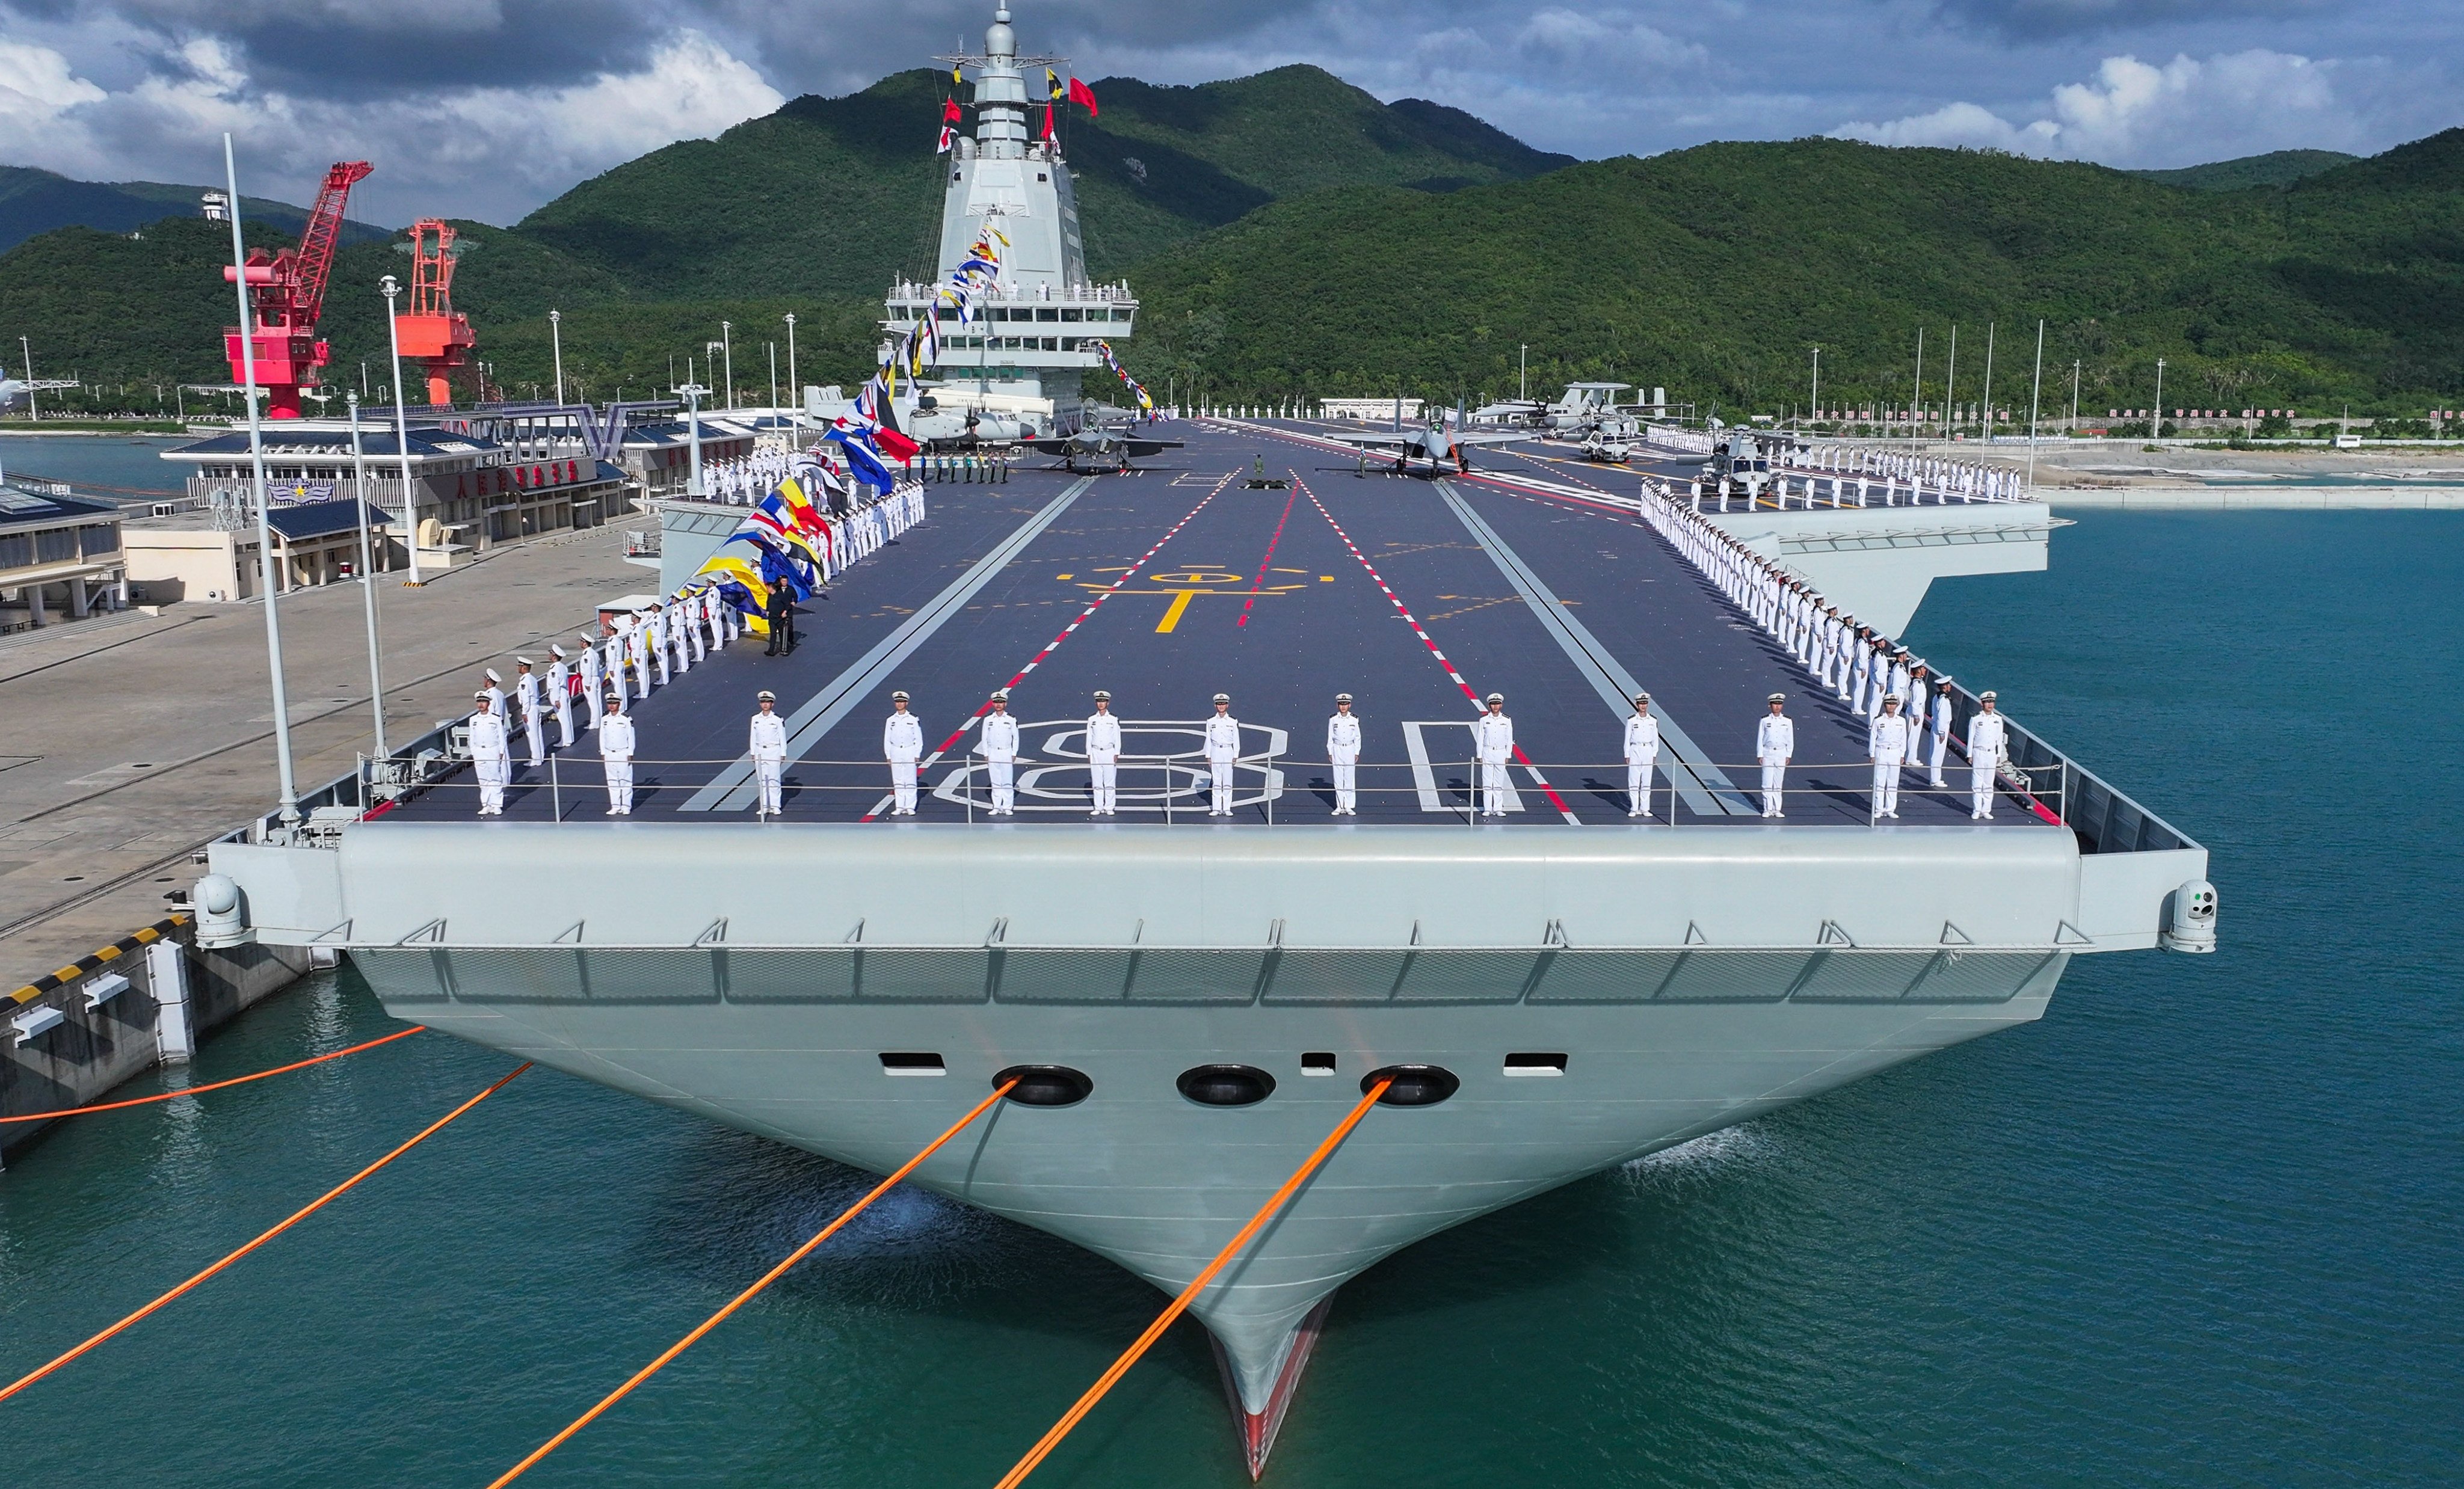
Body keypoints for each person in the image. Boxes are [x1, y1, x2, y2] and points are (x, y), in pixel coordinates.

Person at [1868, 695, 1912, 819]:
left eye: (1893, 704)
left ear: (1897, 705)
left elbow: (1903, 738)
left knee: (1893, 782)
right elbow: (1873, 738)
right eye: (1889, 704)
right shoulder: (1878, 721)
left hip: (1895, 752)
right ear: (1885, 705)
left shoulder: (1901, 721)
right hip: (1881, 751)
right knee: (1879, 782)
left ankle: (1890, 809)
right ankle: (1879, 809)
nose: (1891, 706)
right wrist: (1872, 754)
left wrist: (1902, 754)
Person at [468, 690, 510, 815]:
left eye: (484, 702)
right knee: (483, 780)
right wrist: (473, 752)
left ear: (489, 703)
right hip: (479, 751)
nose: (481, 704)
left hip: (492, 750)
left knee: (495, 778)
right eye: (479, 702)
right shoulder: (473, 719)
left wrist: (501, 751)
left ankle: (497, 805)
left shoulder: (495, 719)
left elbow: (501, 736)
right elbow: (472, 737)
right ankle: (486, 805)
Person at [1968, 689, 2007, 820]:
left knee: (1989, 784)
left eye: (1992, 702)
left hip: (1991, 753)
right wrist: (1969, 755)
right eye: (1987, 702)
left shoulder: (1998, 719)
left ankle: (1986, 810)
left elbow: (1999, 739)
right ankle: (1977, 810)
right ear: (1982, 703)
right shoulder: (1976, 719)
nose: (1990, 705)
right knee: (1977, 783)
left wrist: (1998, 755)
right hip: (1979, 752)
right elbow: (1971, 737)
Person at [1473, 692, 1514, 818]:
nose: (1495, 706)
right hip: (1488, 752)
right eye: (1493, 704)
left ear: (1501, 705)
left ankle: (1498, 808)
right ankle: (1487, 808)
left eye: (1497, 704)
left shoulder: (1506, 720)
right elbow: (1480, 738)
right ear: (1489, 705)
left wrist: (1508, 755)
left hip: (1501, 752)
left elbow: (1509, 739)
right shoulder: (1484, 720)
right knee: (1487, 782)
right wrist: (1479, 754)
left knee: (1498, 782)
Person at [981, 690, 1020, 815]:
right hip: (993, 752)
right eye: (996, 702)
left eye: (1001, 702)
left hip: (1006, 751)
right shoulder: (988, 719)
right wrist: (986, 753)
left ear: (1005, 704)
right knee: (995, 781)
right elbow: (984, 738)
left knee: (1007, 780)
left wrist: (1014, 753)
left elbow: (1016, 738)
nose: (999, 705)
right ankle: (997, 806)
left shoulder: (1011, 719)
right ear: (993, 704)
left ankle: (1008, 807)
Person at [883, 691, 922, 814]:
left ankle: (910, 807)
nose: (899, 704)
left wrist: (917, 754)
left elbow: (918, 737)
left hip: (909, 749)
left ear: (906, 703)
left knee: (910, 779)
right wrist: (888, 755)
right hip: (895, 750)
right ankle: (900, 807)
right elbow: (887, 739)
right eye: (897, 702)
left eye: (902, 702)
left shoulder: (913, 719)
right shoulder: (890, 720)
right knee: (898, 779)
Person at [1755, 693, 1793, 818]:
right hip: (1768, 752)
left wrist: (1789, 754)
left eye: (1779, 704)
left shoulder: (1787, 721)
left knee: (1778, 783)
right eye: (1775, 704)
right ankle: (1767, 809)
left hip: (1781, 753)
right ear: (1770, 705)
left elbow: (1790, 739)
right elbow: (1760, 738)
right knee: (1767, 782)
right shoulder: (1765, 720)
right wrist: (1760, 754)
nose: (1777, 706)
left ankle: (1777, 809)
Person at [750, 690, 787, 817]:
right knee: (762, 780)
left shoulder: (777, 719)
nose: (765, 704)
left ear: (772, 704)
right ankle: (764, 806)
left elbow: (782, 736)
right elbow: (753, 737)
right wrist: (753, 752)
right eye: (763, 702)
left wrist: (783, 753)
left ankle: (775, 806)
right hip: (760, 751)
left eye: (768, 702)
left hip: (773, 751)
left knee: (774, 780)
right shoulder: (755, 719)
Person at [1623, 692, 1660, 818]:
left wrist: (1654, 753)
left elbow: (1655, 738)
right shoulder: (1632, 720)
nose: (1643, 706)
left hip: (1648, 750)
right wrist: (1627, 754)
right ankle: (1634, 808)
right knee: (1634, 780)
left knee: (1646, 781)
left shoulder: (1653, 720)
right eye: (1641, 703)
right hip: (1635, 749)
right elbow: (1627, 738)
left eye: (1645, 703)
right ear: (1637, 705)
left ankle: (1645, 808)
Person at [1203, 693, 1241, 816]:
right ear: (1215, 706)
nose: (1221, 706)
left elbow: (1236, 739)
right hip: (1216, 750)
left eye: (1223, 704)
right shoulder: (1211, 721)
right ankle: (1216, 808)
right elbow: (1208, 739)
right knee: (1217, 780)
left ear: (1227, 706)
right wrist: (1208, 755)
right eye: (1219, 704)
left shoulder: (1233, 721)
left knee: (1228, 780)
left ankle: (1227, 808)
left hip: (1228, 750)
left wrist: (1236, 755)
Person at [599, 692, 636, 814]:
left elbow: (631, 737)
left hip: (622, 752)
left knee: (625, 780)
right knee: (612, 780)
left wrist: (630, 753)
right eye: (609, 703)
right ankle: (615, 806)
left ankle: (626, 806)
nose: (611, 706)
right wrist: (603, 752)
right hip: (609, 753)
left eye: (614, 703)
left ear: (619, 704)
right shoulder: (605, 719)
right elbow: (602, 736)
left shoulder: (626, 719)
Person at [1085, 690, 1121, 815]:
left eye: (1103, 701)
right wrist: (1089, 753)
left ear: (1108, 703)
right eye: (1099, 702)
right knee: (1097, 782)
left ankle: (1109, 807)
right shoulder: (1091, 719)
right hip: (1096, 752)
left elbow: (1117, 736)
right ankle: (1098, 807)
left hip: (1109, 751)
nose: (1101, 704)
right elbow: (1089, 737)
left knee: (1109, 781)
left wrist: (1117, 752)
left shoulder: (1113, 719)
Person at [1326, 693, 1362, 815]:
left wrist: (1357, 752)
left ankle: (1348, 806)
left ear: (1349, 705)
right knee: (1338, 777)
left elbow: (1357, 737)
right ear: (1338, 705)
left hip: (1350, 749)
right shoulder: (1333, 719)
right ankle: (1339, 806)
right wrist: (1330, 752)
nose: (1343, 707)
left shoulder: (1354, 719)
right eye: (1341, 704)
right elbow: (1330, 737)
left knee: (1349, 778)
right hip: (1337, 748)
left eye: (1345, 704)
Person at [514, 658, 546, 768]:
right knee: (538, 733)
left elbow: (526, 699)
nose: (518, 668)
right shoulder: (532, 678)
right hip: (536, 707)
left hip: (530, 709)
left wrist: (524, 713)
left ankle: (536, 759)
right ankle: (541, 756)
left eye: (519, 666)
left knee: (532, 735)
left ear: (523, 668)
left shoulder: (524, 681)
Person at [1927, 675, 1954, 789]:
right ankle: (1935, 779)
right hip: (1940, 728)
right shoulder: (1943, 700)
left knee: (1936, 753)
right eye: (1948, 685)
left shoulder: (1937, 697)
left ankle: (1936, 777)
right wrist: (1942, 733)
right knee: (1937, 754)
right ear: (1944, 687)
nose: (1950, 686)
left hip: (1938, 727)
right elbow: (1942, 717)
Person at [547, 646, 576, 749]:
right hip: (564, 692)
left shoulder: (554, 669)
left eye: (550, 653)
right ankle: (569, 739)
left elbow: (556, 684)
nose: (549, 655)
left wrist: (556, 699)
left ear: (554, 656)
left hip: (558, 693)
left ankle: (566, 741)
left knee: (563, 719)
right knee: (567, 717)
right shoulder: (563, 667)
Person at [579, 636, 604, 732]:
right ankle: (599, 720)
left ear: (585, 643)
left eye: (581, 641)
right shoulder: (594, 653)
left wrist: (588, 683)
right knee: (598, 701)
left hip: (590, 679)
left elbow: (588, 669)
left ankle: (595, 723)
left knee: (593, 702)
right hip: (596, 678)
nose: (580, 643)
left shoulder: (587, 655)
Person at [765, 585, 795, 656]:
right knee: (773, 635)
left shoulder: (781, 595)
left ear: (771, 588)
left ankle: (784, 649)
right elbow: (768, 604)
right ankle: (771, 650)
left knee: (782, 634)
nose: (767, 589)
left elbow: (788, 605)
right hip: (772, 619)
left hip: (780, 618)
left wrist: (785, 612)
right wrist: (768, 610)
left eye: (768, 588)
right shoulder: (769, 596)